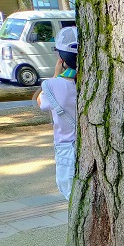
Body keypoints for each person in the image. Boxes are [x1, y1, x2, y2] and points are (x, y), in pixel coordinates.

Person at [36, 26, 78, 201]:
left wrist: (55, 74)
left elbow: (41, 102)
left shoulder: (52, 85)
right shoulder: (93, 81)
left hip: (66, 147)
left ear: (61, 58)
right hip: (90, 146)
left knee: (71, 194)